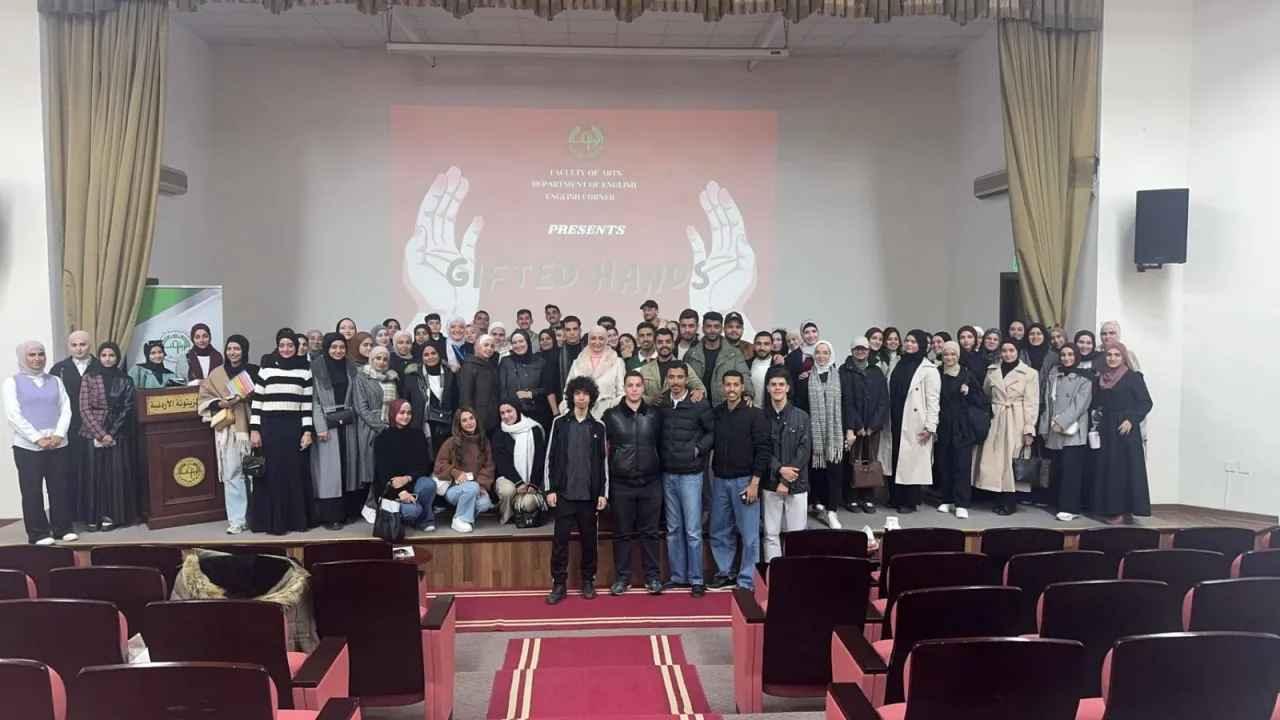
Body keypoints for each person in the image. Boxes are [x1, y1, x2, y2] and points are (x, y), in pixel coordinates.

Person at [544, 376, 608, 605]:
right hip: (564, 495)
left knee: (590, 542)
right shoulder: (559, 423)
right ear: (571, 396)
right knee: (560, 543)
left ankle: (588, 581)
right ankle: (559, 584)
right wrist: (550, 489)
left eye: (585, 393)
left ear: (591, 397)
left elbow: (603, 462)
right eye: (577, 393)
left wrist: (602, 493)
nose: (581, 397)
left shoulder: (599, 427)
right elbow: (550, 457)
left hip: (589, 497)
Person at [4, 341, 76, 544]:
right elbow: (14, 415)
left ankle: (62, 528)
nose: (37, 359)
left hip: (57, 444)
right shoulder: (12, 383)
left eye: (41, 354)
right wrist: (37, 438)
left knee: (59, 488)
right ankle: (38, 533)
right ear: (23, 357)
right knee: (32, 491)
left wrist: (59, 434)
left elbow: (66, 409)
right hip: (27, 447)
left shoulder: (55, 381)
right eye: (32, 355)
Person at [656, 362, 714, 598]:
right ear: (667, 380)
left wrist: (698, 448)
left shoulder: (699, 403)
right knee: (673, 530)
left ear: (687, 379)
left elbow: (712, 432)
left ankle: (697, 579)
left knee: (692, 531)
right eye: (672, 377)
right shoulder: (662, 403)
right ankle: (678, 576)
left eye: (680, 377)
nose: (676, 382)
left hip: (691, 474)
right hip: (667, 474)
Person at [603, 370, 664, 596]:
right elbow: (603, 450)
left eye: (638, 385)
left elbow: (661, 445)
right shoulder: (611, 416)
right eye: (630, 385)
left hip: (651, 482)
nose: (635, 389)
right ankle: (623, 578)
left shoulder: (655, 415)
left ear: (643, 388)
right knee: (622, 533)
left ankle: (653, 577)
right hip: (621, 483)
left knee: (650, 533)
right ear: (624, 388)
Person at [708, 370, 770, 590]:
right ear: (722, 387)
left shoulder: (755, 415)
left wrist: (755, 482)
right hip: (720, 480)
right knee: (719, 530)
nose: (732, 389)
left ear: (743, 387)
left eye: (736, 385)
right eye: (728, 385)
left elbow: (763, 450)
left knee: (749, 534)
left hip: (745, 481)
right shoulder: (717, 413)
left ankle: (746, 580)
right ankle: (725, 573)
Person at [249, 329, 314, 535]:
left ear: (296, 347)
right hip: (269, 427)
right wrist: (255, 430)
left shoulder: (305, 371)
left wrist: (307, 432)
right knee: (271, 475)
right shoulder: (266, 370)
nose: (286, 349)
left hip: (294, 428)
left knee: (293, 475)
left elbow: (307, 405)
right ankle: (269, 521)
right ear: (277, 347)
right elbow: (257, 403)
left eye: (290, 345)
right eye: (282, 345)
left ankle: (293, 521)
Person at [77, 341, 139, 531]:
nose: (108, 359)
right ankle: (93, 516)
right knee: (94, 476)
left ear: (117, 357)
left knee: (113, 476)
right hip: (92, 431)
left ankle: (112, 515)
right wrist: (100, 434)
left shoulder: (126, 379)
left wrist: (111, 434)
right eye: (104, 355)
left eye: (112, 355)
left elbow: (127, 408)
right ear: (99, 357)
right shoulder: (89, 377)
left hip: (117, 433)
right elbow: (84, 408)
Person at [198, 334, 256, 535]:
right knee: (232, 473)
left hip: (252, 429)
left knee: (254, 473)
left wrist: (248, 397)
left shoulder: (254, 371)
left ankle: (255, 517)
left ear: (244, 350)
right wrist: (220, 403)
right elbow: (204, 398)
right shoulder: (217, 374)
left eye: (237, 349)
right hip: (229, 431)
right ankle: (237, 519)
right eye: (229, 348)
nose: (233, 352)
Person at [976, 339, 1040, 515]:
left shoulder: (1029, 373)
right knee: (994, 460)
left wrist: (1029, 429)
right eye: (1004, 351)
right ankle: (996, 496)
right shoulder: (992, 371)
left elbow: (1031, 403)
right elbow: (986, 394)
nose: (1008, 354)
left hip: (1016, 419)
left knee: (1012, 460)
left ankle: (1009, 502)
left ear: (1018, 352)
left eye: (1012, 350)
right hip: (996, 417)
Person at [1093, 342, 1152, 524]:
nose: (1112, 358)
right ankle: (1111, 510)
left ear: (1124, 357)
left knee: (1124, 470)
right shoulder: (1102, 378)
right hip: (1107, 428)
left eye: (1117, 355)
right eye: (1109, 355)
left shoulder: (1132, 377)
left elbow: (1146, 402)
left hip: (1125, 429)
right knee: (1109, 468)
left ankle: (1123, 512)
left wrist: (1131, 420)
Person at [311, 333, 362, 530]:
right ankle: (330, 516)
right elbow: (315, 401)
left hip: (349, 422)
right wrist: (320, 427)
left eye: (341, 347)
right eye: (333, 347)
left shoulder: (351, 367)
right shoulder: (316, 368)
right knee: (329, 471)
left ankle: (348, 511)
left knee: (348, 467)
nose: (338, 351)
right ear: (326, 348)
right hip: (327, 423)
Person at [934, 341, 990, 520]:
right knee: (944, 463)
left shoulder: (967, 374)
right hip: (943, 424)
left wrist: (969, 391)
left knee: (962, 465)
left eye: (953, 354)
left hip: (963, 426)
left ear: (958, 356)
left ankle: (962, 503)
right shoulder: (936, 373)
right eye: (946, 354)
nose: (949, 358)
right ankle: (947, 499)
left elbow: (983, 400)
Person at [886, 330, 940, 513]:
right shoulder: (897, 363)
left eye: (914, 342)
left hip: (915, 420)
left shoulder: (929, 369)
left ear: (922, 345)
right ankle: (895, 497)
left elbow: (933, 400)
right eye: (907, 341)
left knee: (912, 462)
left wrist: (930, 426)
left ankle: (910, 501)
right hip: (895, 416)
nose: (909, 344)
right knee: (895, 457)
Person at [761, 368, 810, 562]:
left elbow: (804, 451)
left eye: (781, 384)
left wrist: (786, 481)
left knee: (797, 537)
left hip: (797, 485)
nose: (777, 388)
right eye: (773, 384)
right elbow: (762, 450)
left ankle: (795, 574)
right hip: (770, 483)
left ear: (788, 388)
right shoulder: (761, 418)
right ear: (767, 388)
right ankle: (773, 573)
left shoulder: (802, 416)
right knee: (770, 534)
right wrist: (780, 470)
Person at [1039, 343, 1091, 521]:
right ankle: (1058, 503)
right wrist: (1044, 427)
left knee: (1071, 470)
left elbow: (1080, 405)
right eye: (1063, 355)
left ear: (1076, 356)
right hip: (1053, 429)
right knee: (1058, 468)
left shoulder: (1085, 378)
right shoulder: (1055, 375)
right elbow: (1048, 401)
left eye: (1070, 354)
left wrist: (1062, 422)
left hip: (1073, 430)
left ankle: (1071, 507)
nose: (1067, 358)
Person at [47, 331, 95, 525]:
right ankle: (72, 514)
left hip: (95, 428)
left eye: (83, 344)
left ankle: (93, 512)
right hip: (68, 429)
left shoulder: (100, 366)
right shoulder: (58, 369)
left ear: (89, 345)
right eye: (74, 345)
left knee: (93, 471)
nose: (79, 348)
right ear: (69, 346)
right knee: (69, 471)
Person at [839, 336, 887, 514]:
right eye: (857, 349)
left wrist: (872, 425)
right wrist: (857, 425)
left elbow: (883, 400)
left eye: (863, 349)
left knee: (870, 461)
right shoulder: (844, 371)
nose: (860, 352)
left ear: (869, 351)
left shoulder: (876, 371)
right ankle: (851, 498)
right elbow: (846, 400)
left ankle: (868, 498)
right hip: (853, 427)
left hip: (873, 428)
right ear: (851, 350)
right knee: (852, 462)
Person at [432, 408, 496, 533]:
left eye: (471, 418)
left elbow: (488, 466)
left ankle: (463, 515)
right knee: (472, 487)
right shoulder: (451, 442)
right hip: (453, 488)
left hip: (475, 486)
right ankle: (460, 519)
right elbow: (439, 465)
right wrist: (455, 473)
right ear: (459, 424)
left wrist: (482, 486)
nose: (469, 423)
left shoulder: (484, 442)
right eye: (464, 420)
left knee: (485, 503)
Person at [379, 398, 436, 532]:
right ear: (393, 413)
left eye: (409, 413)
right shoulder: (382, 439)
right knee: (412, 511)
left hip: (412, 482)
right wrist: (401, 492)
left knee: (429, 484)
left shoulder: (418, 436)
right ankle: (407, 516)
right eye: (401, 412)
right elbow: (383, 472)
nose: (405, 416)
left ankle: (425, 520)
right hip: (393, 487)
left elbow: (424, 465)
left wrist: (407, 478)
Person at [354, 345, 397, 521]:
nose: (381, 362)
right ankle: (369, 504)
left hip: (391, 430)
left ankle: (379, 504)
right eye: (378, 358)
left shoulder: (393, 378)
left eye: (385, 359)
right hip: (372, 430)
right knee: (373, 469)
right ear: (371, 359)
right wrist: (381, 427)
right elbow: (362, 409)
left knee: (387, 469)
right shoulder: (362, 378)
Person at [805, 340, 844, 528]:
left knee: (835, 473)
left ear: (831, 355)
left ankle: (832, 511)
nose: (821, 356)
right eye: (818, 352)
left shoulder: (839, 377)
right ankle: (820, 506)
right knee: (818, 474)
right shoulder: (805, 378)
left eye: (825, 352)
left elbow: (847, 403)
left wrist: (850, 429)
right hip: (814, 434)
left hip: (835, 435)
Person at [491, 400, 545, 524]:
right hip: (507, 477)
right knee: (507, 491)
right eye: (502, 413)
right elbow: (502, 462)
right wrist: (518, 482)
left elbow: (539, 459)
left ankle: (519, 513)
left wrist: (533, 483)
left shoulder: (533, 429)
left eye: (509, 411)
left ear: (517, 410)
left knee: (528, 504)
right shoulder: (499, 432)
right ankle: (507, 516)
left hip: (530, 481)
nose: (506, 416)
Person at [684, 311, 753, 406]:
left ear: (722, 329)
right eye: (708, 326)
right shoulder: (691, 354)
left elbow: (744, 374)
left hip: (724, 406)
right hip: (697, 405)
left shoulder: (734, 353)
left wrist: (748, 394)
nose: (712, 330)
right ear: (703, 329)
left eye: (716, 326)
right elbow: (685, 378)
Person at [561, 325, 626, 419]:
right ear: (588, 340)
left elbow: (622, 392)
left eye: (601, 338)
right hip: (580, 416)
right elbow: (567, 392)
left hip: (609, 415)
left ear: (606, 340)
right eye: (593, 338)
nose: (597, 342)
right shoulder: (578, 362)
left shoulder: (617, 362)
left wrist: (611, 409)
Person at [402, 343, 456, 454]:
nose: (430, 357)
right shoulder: (412, 377)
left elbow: (456, 402)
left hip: (446, 427)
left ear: (439, 354)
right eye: (426, 355)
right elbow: (405, 402)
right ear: (421, 358)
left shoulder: (450, 375)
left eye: (433, 353)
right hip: (420, 427)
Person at [499, 329, 550, 431]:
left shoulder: (540, 362)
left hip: (537, 413)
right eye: (514, 342)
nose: (518, 345)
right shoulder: (506, 361)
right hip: (514, 415)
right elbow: (502, 389)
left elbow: (548, 389)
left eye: (521, 341)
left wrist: (531, 393)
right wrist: (507, 411)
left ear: (527, 342)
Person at [639, 328, 705, 405]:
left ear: (673, 344)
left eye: (668, 342)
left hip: (676, 410)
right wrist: (650, 400)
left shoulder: (683, 366)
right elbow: (637, 393)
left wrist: (699, 391)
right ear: (654, 345)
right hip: (652, 411)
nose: (664, 345)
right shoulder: (645, 369)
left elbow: (699, 386)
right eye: (660, 342)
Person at [458, 334, 501, 434]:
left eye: (492, 346)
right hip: (478, 419)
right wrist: (470, 419)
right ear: (477, 346)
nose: (489, 349)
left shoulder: (491, 366)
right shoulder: (469, 366)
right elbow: (466, 396)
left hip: (493, 418)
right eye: (486, 345)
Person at [544, 316, 584, 415]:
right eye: (568, 330)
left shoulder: (588, 352)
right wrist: (556, 413)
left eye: (575, 329)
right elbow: (549, 387)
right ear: (563, 332)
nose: (572, 333)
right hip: (562, 408)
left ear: (580, 330)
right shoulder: (554, 355)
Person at [784, 321, 819, 412]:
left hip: (821, 400)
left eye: (814, 331)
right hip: (800, 402)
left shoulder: (825, 351)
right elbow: (789, 380)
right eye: (806, 332)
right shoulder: (792, 356)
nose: (811, 335)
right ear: (802, 335)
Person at [748, 331, 782, 399]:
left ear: (772, 346)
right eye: (758, 344)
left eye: (766, 344)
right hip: (750, 406)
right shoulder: (746, 365)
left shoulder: (779, 365)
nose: (762, 348)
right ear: (754, 346)